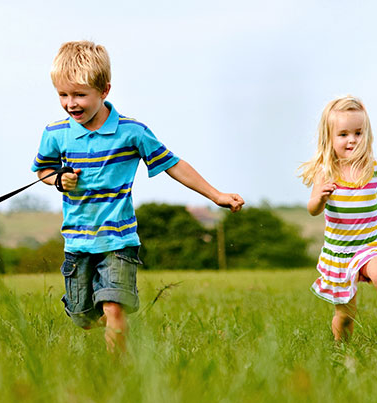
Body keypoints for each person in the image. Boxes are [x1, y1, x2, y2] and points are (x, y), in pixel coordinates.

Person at [32, 40, 244, 354]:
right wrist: (60, 180)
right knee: (84, 318)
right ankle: (101, 317)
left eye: (79, 95)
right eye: (63, 95)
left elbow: (173, 164)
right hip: (77, 240)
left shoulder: (131, 132)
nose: (70, 104)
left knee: (114, 307)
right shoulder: (56, 133)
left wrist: (216, 195)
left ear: (104, 90)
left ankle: (117, 374)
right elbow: (42, 171)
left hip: (119, 240)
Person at [299, 95, 377, 345]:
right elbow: (312, 209)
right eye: (343, 134)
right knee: (345, 315)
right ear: (329, 138)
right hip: (340, 252)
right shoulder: (326, 171)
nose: (352, 140)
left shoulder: (375, 168)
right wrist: (321, 198)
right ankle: (342, 352)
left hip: (369, 243)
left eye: (358, 132)